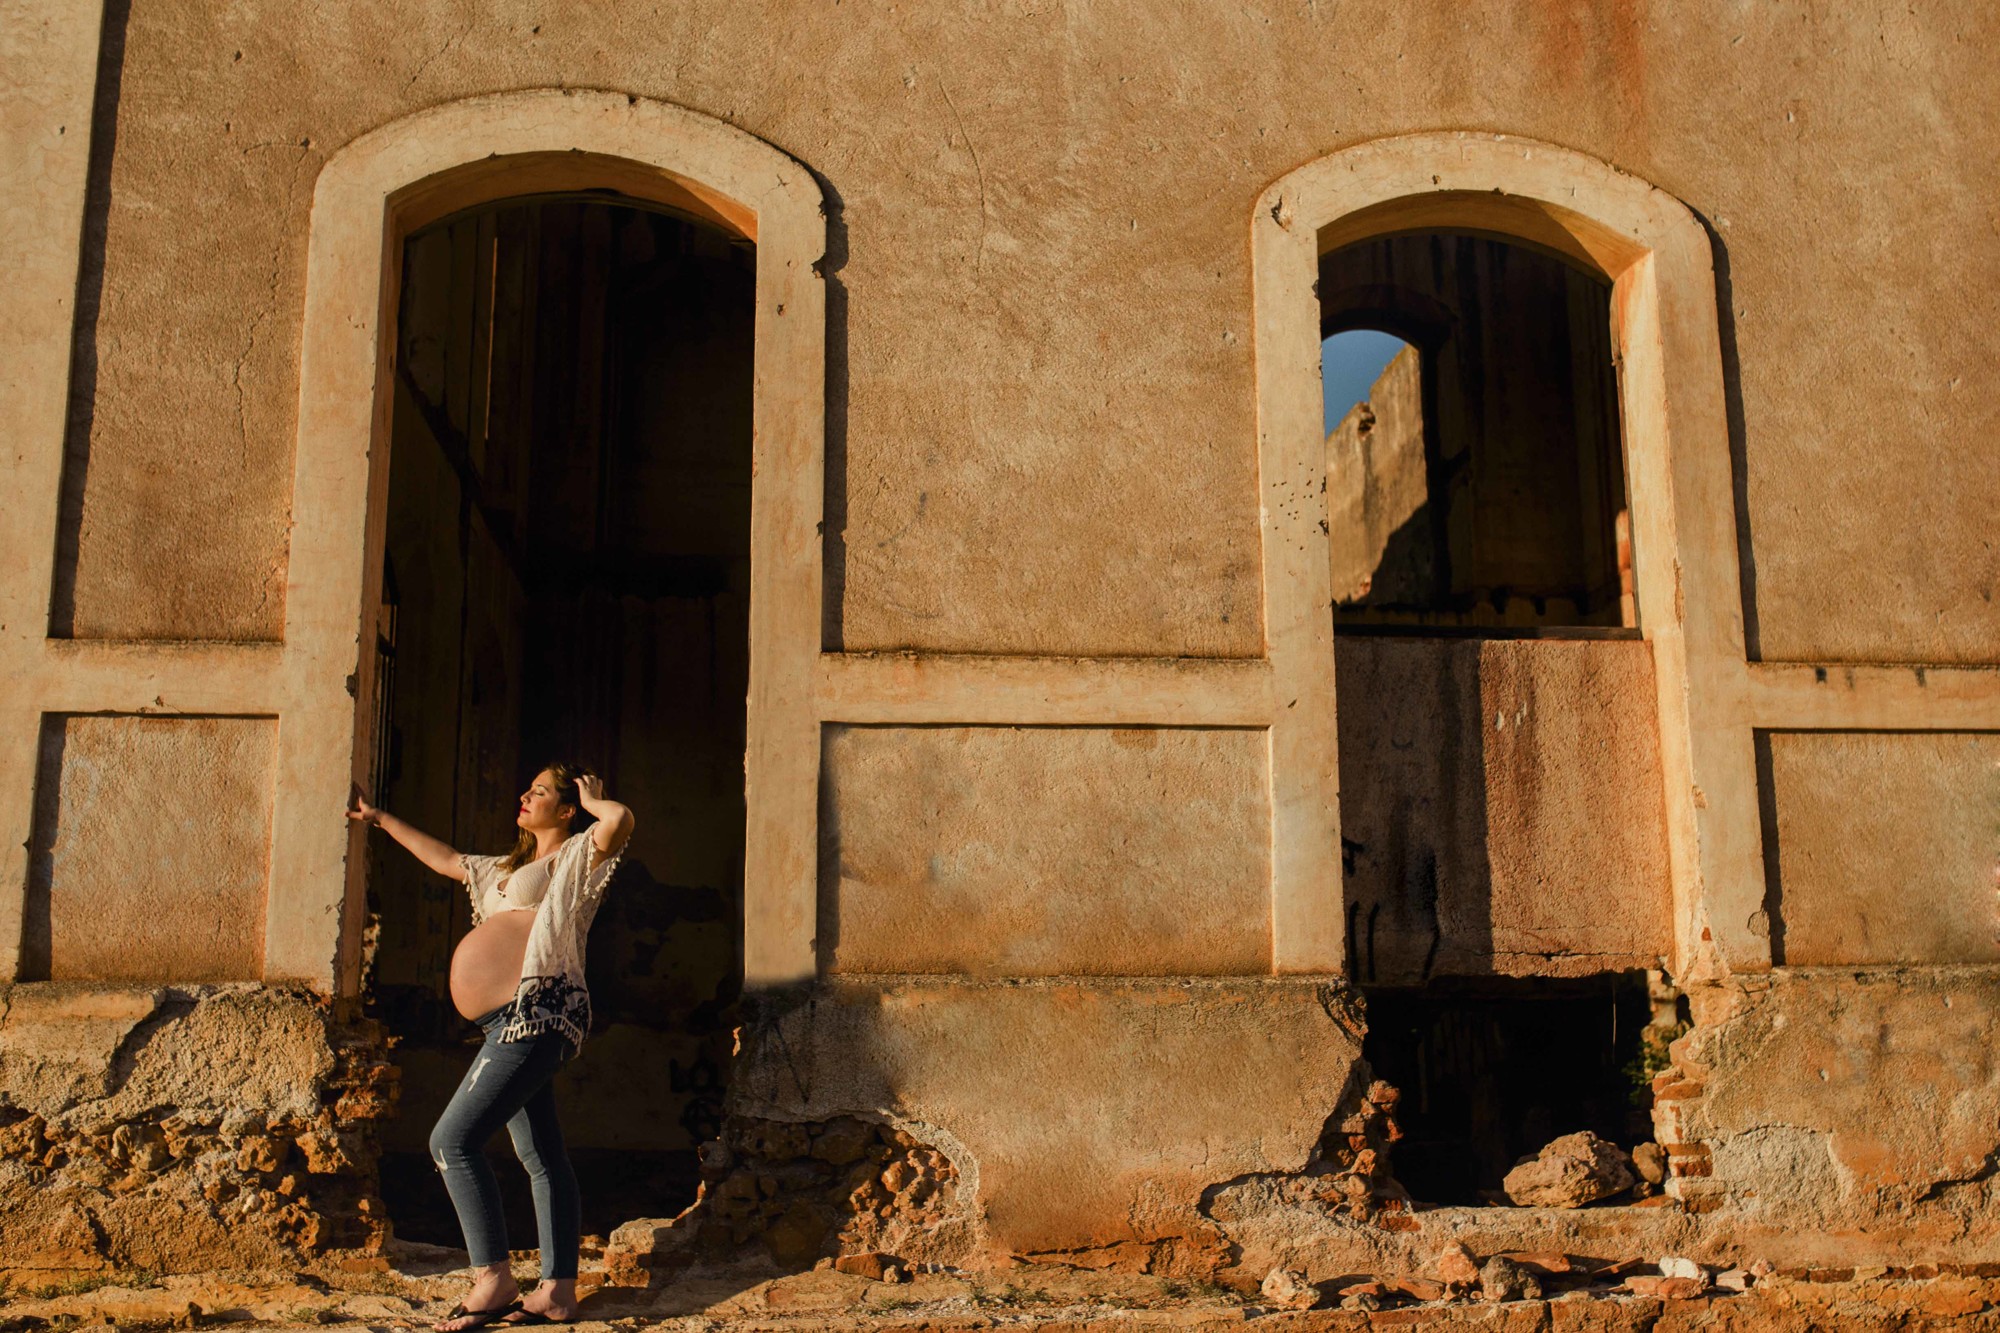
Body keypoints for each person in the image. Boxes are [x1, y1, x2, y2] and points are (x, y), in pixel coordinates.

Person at [349, 763, 633, 1330]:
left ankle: (493, 1278)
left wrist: (595, 799)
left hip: (534, 1015)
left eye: (541, 791)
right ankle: (557, 1292)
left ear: (567, 807)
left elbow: (620, 821)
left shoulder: (574, 858)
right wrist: (378, 819)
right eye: (526, 787)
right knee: (543, 1157)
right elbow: (446, 858)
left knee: (451, 1142)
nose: (525, 796)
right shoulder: (504, 870)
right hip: (506, 1023)